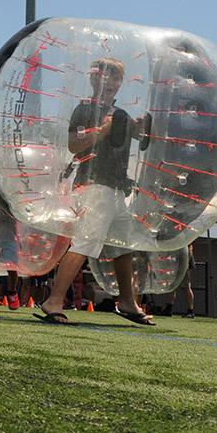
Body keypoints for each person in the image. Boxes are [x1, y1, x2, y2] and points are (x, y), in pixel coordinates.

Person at [36, 58, 153, 326]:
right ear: (93, 80)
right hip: (93, 186)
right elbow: (74, 145)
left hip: (115, 189)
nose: (110, 83)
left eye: (115, 78)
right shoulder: (85, 109)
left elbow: (138, 138)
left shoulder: (121, 114)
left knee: (124, 246)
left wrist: (142, 126)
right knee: (86, 242)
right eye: (104, 77)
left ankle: (127, 301)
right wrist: (101, 132)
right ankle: (53, 301)